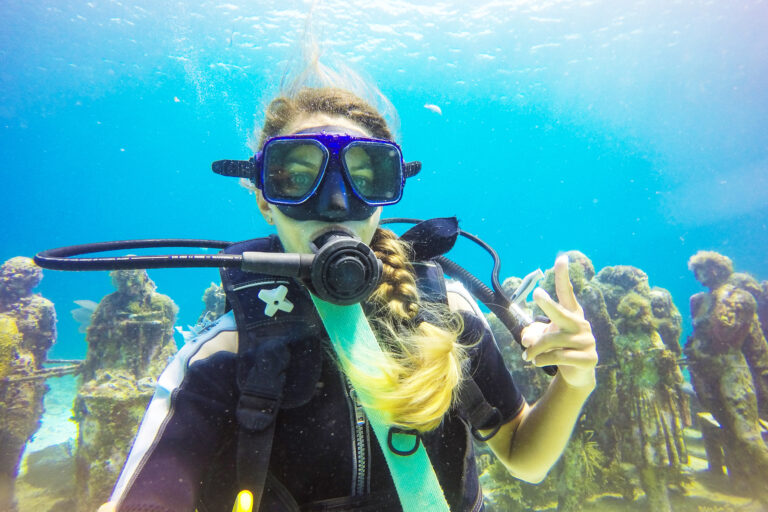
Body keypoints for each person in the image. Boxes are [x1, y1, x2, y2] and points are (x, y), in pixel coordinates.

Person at [99, 82, 597, 512]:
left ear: (385, 197)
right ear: (265, 200)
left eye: (364, 178)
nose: (335, 204)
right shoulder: (224, 354)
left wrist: (575, 382)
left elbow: (526, 459)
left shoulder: (447, 314)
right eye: (298, 177)